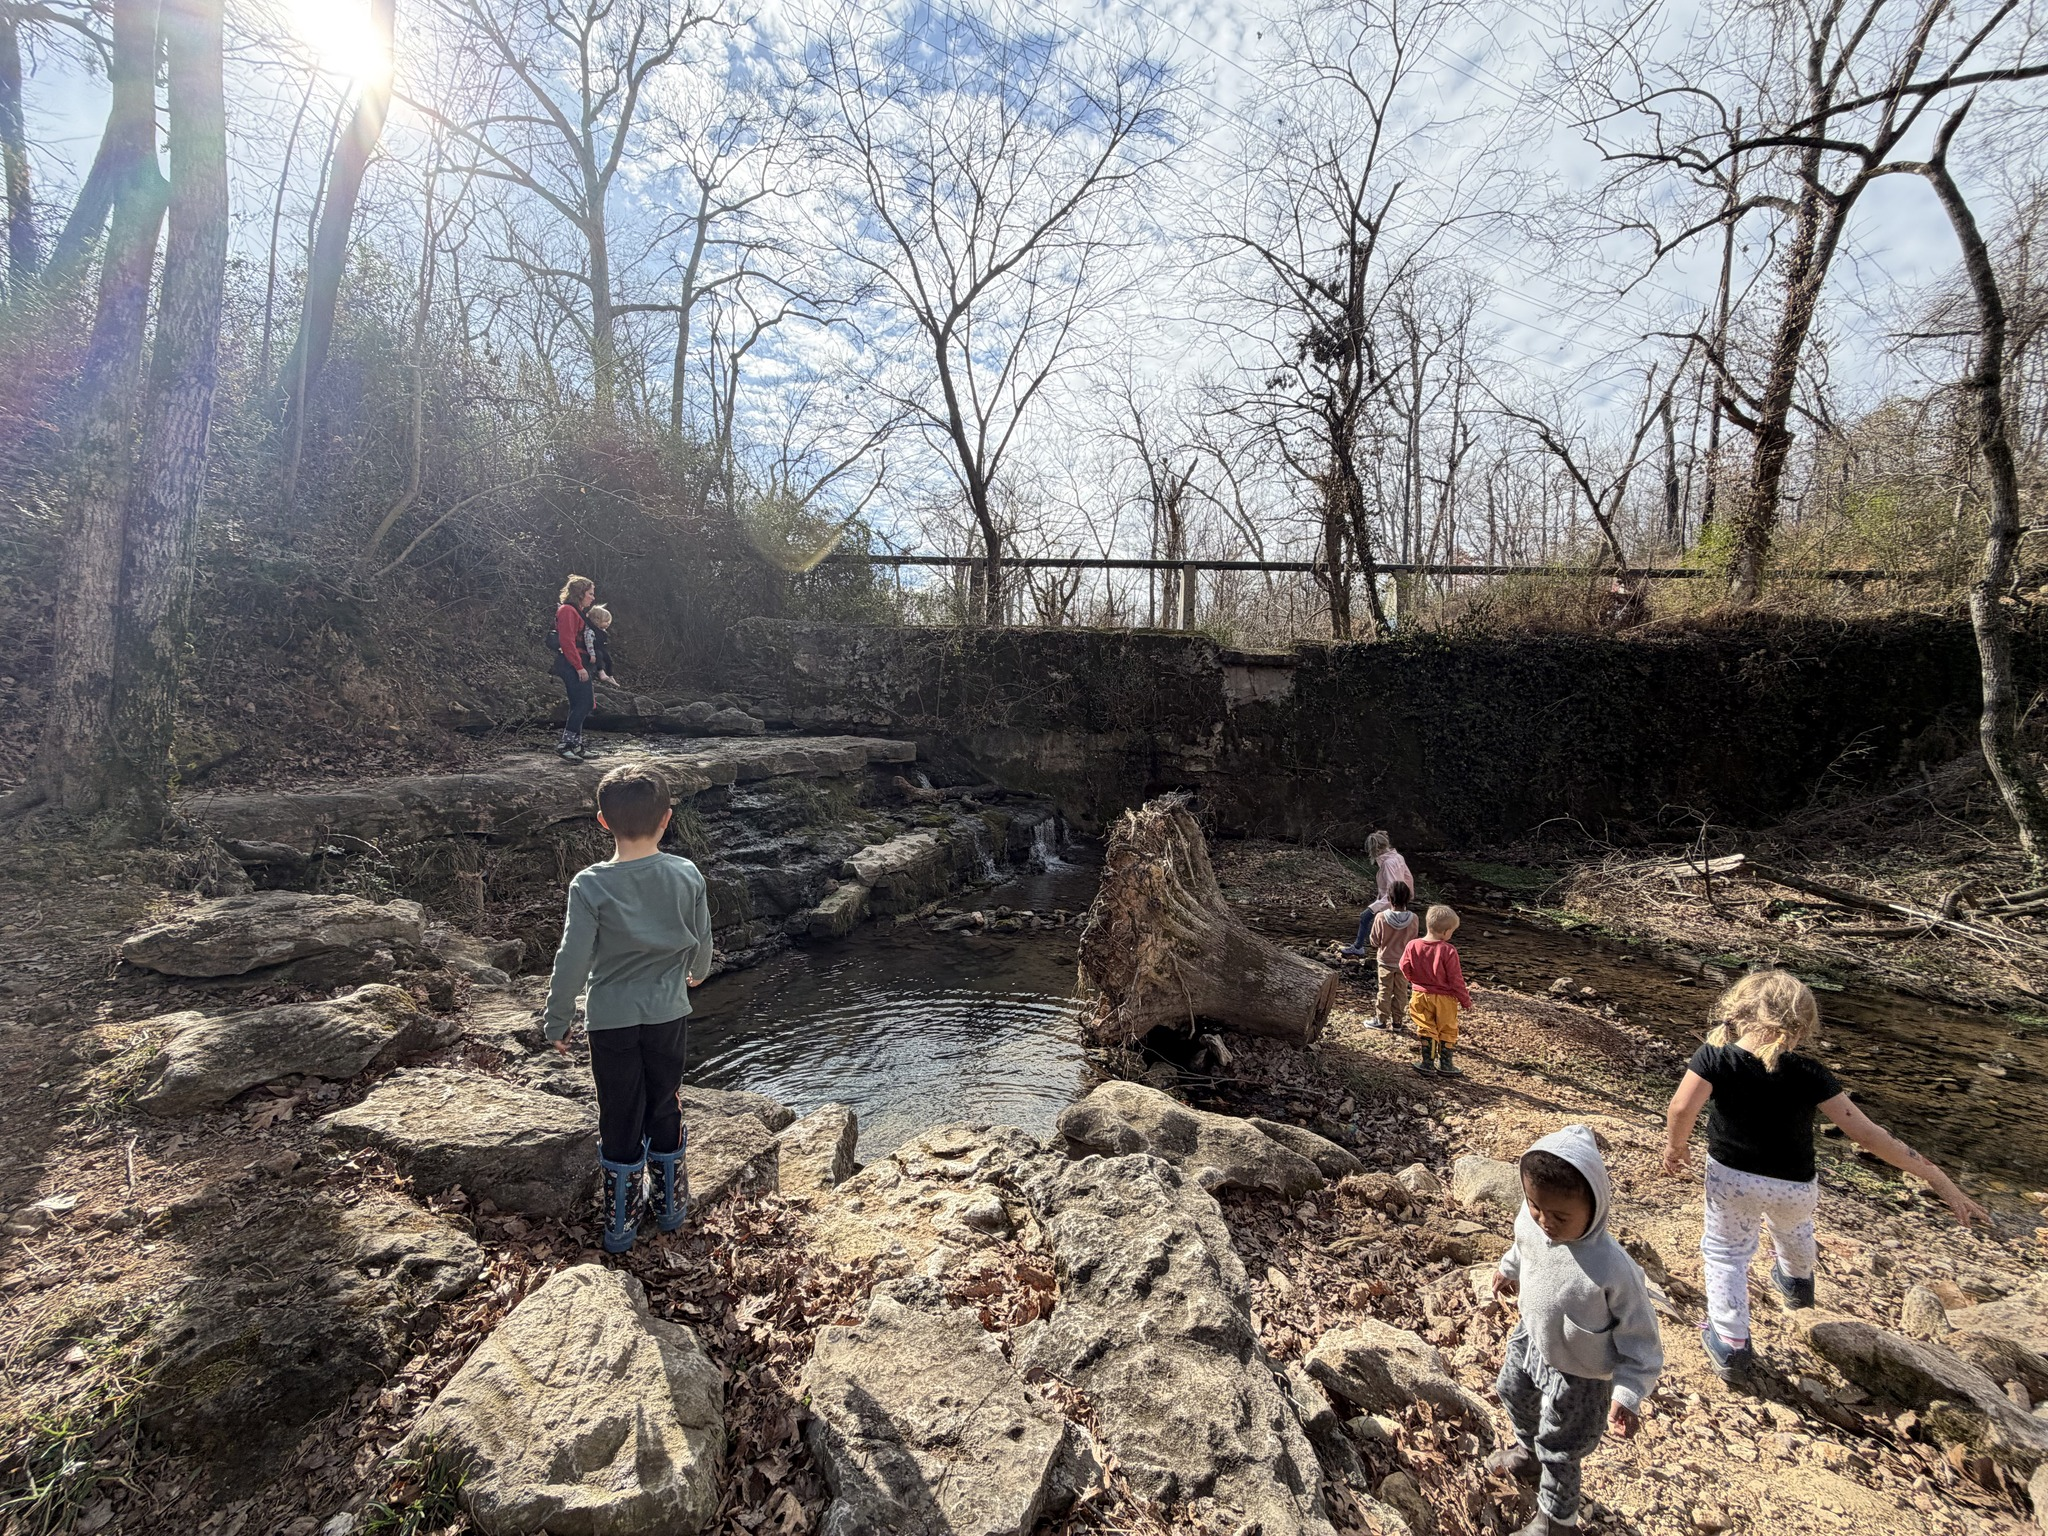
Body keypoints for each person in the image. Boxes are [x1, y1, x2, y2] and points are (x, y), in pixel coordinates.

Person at [1661, 969, 1988, 1380]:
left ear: (1740, 1010)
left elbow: (1680, 1110)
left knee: (1726, 1252)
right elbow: (1868, 1135)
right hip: (1796, 1185)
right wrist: (1939, 1178)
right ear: (1801, 1027)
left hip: (1733, 1180)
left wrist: (1677, 1147)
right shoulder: (1810, 1074)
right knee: (1794, 1228)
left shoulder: (1714, 1058)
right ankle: (1797, 1281)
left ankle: (1731, 1342)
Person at [544, 762, 715, 1254]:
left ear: (602, 821)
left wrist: (558, 1019)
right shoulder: (686, 873)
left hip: (610, 1020)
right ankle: (670, 1205)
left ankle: (620, 1222)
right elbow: (702, 937)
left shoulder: (590, 885)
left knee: (619, 1112)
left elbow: (572, 956)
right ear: (667, 818)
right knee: (665, 1100)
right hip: (668, 1014)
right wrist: (698, 971)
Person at [1489, 1126, 1664, 1536]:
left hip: (1582, 1372)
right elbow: (1522, 1244)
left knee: (1563, 1446)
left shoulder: (1613, 1267)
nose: (1545, 1221)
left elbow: (1642, 1340)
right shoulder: (1532, 1219)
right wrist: (1508, 1268)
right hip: (1532, 1337)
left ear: (1595, 1207)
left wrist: (1628, 1392)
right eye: (1535, 1205)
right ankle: (1527, 1451)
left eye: (1561, 1216)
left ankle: (1557, 1521)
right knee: (1511, 1389)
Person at [1400, 903, 1472, 1076]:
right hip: (1445, 998)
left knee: (1426, 1025)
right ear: (1446, 932)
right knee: (1447, 1028)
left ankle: (1427, 1063)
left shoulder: (1413, 945)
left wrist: (1413, 980)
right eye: (1452, 932)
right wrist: (1465, 1000)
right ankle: (1446, 1065)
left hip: (1420, 994)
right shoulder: (1449, 950)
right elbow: (1456, 979)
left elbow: (1403, 966)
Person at [1341, 830, 1415, 955]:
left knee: (1366, 917)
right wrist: (1409, 895)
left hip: (1391, 900)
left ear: (1376, 849)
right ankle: (1391, 950)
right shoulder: (1398, 857)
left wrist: (1376, 906)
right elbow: (1409, 878)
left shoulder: (1388, 863)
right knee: (1387, 925)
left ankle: (1360, 947)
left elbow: (1393, 889)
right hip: (1397, 899)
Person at [552, 575, 599, 761]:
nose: (592, 598)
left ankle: (576, 745)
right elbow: (567, 642)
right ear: (580, 594)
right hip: (572, 663)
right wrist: (579, 667)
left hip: (577, 662)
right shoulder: (567, 611)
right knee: (584, 703)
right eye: (590, 594)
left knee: (580, 704)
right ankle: (565, 744)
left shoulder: (576, 612)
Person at [1364, 879, 1419, 1032]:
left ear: (1389, 898)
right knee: (1401, 991)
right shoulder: (1414, 918)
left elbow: (1374, 941)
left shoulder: (1381, 917)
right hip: (1404, 962)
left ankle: (1381, 1020)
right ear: (1408, 898)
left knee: (1384, 990)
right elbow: (1413, 942)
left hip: (1385, 960)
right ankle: (1398, 1022)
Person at [583, 603, 619, 688]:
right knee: (598, 655)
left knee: (609, 660)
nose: (608, 624)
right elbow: (589, 642)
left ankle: (610, 676)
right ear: (597, 620)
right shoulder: (591, 630)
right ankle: (601, 671)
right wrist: (591, 654)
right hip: (594, 649)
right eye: (605, 622)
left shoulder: (602, 630)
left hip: (601, 648)